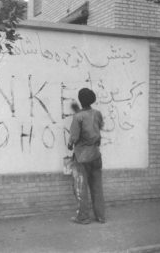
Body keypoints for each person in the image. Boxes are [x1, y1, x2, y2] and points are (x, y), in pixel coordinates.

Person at [67, 88, 105, 224]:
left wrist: (70, 144)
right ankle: (101, 216)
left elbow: (74, 137)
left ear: (80, 101)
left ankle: (83, 217)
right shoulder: (97, 114)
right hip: (96, 154)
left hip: (82, 157)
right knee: (97, 187)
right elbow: (98, 127)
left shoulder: (78, 117)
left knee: (81, 187)